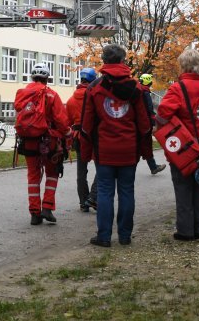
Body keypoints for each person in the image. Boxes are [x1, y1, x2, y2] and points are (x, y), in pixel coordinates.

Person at [81, 44, 151, 247]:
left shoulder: (94, 88)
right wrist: (146, 153)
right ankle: (125, 235)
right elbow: (144, 125)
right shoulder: (137, 88)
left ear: (104, 60)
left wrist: (85, 154)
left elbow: (86, 125)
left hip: (104, 150)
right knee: (127, 191)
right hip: (129, 150)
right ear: (123, 61)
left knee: (104, 192)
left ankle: (103, 236)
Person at [155, 48, 199, 241]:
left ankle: (185, 231)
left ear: (183, 66)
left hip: (185, 149)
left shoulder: (178, 88)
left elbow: (163, 114)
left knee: (183, 189)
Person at [14, 63, 71, 225]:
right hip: (49, 142)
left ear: (32, 77)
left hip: (28, 142)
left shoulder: (23, 94)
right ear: (47, 78)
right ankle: (47, 207)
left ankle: (34, 213)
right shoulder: (51, 95)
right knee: (52, 173)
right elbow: (61, 120)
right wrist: (68, 135)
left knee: (33, 176)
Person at [67, 67, 97, 211]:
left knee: (81, 171)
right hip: (94, 135)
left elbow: (67, 121)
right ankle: (93, 197)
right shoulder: (95, 95)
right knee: (103, 168)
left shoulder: (71, 100)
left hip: (79, 137)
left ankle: (83, 202)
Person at [137, 73, 167, 176]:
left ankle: (153, 167)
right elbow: (150, 109)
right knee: (146, 145)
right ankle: (153, 167)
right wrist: (153, 123)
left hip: (136, 123)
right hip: (144, 123)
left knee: (139, 145)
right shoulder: (145, 92)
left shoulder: (137, 90)